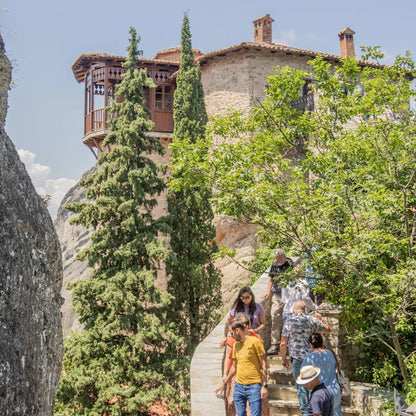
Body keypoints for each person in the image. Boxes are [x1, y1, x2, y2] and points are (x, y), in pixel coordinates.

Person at [280, 300, 331, 416]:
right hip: (313, 359)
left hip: (297, 360)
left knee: (301, 388)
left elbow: (283, 343)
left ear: (293, 311)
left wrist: (283, 359)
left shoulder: (289, 321)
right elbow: (328, 329)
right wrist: (320, 319)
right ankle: (317, 410)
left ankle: (306, 413)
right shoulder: (311, 319)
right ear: (305, 310)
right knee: (315, 384)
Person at [216, 320, 268, 416]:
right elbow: (234, 367)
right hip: (239, 386)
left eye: (232, 333)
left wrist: (264, 386)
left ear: (238, 330)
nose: (232, 336)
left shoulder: (255, 342)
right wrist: (224, 383)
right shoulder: (236, 345)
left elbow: (264, 364)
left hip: (253, 385)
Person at [262, 248, 293, 355]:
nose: (278, 260)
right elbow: (272, 279)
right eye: (276, 258)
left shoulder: (290, 265)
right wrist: (268, 291)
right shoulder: (274, 265)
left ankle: (289, 344)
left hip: (289, 295)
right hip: (278, 294)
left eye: (279, 258)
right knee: (275, 316)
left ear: (284, 256)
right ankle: (274, 344)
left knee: (289, 318)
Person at [302, 332, 342, 416]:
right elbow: (337, 367)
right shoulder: (330, 353)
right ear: (322, 342)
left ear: (311, 344)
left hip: (319, 394)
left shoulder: (309, 358)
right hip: (333, 391)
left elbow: (304, 375)